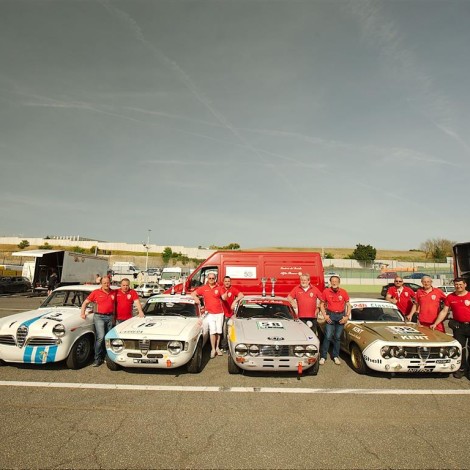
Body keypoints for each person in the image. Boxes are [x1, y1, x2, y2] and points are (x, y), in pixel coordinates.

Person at [431, 277, 470, 379]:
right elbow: (444, 311)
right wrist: (436, 323)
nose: (458, 286)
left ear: (465, 285)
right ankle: (461, 368)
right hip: (459, 326)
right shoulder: (450, 297)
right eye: (456, 284)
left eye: (460, 284)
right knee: (460, 348)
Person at [80, 277, 116, 367]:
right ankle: (97, 358)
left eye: (108, 283)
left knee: (108, 338)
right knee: (100, 337)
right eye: (104, 283)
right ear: (101, 283)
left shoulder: (114, 292)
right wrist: (82, 313)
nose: (106, 284)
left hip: (110, 316)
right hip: (99, 317)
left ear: (110, 283)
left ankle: (107, 357)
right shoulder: (96, 292)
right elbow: (85, 303)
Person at [191, 272, 224, 359]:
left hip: (220, 312)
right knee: (212, 331)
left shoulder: (219, 288)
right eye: (210, 278)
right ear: (207, 279)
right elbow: (193, 293)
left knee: (219, 332)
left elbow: (224, 297)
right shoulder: (203, 288)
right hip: (209, 313)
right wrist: (196, 298)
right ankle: (213, 349)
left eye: (213, 278)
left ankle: (217, 348)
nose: (211, 280)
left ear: (215, 279)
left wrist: (226, 296)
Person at [319, 275, 350, 365]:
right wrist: (325, 316)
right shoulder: (326, 291)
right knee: (328, 336)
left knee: (337, 337)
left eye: (336, 281)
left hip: (341, 316)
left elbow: (348, 305)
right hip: (330, 315)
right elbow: (321, 305)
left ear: (339, 282)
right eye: (332, 281)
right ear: (330, 282)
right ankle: (323, 357)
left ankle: (335, 356)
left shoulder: (343, 292)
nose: (334, 283)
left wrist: (346, 316)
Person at [220, 276, 244, 351]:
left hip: (230, 314)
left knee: (228, 331)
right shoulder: (221, 289)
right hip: (221, 313)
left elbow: (241, 295)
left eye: (228, 281)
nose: (227, 282)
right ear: (223, 282)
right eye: (225, 281)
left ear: (230, 282)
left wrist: (235, 301)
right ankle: (223, 346)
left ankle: (226, 347)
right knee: (221, 331)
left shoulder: (233, 289)